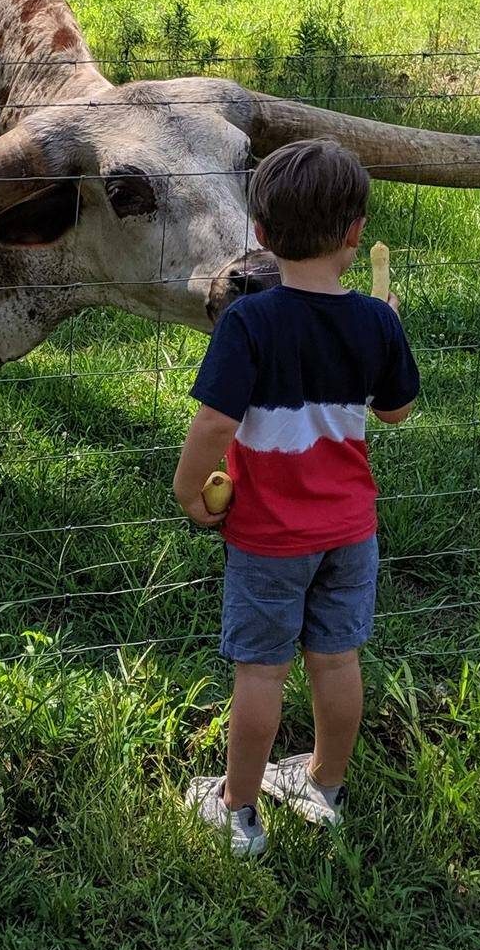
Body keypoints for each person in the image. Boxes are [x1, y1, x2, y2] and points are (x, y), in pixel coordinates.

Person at [172, 141, 419, 858]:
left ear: (259, 233)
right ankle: (323, 785)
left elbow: (216, 421)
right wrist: (392, 326)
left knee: (261, 672)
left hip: (269, 534)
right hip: (350, 530)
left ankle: (238, 809)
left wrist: (191, 489)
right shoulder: (376, 321)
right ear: (354, 234)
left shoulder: (249, 323)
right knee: (337, 660)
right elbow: (396, 412)